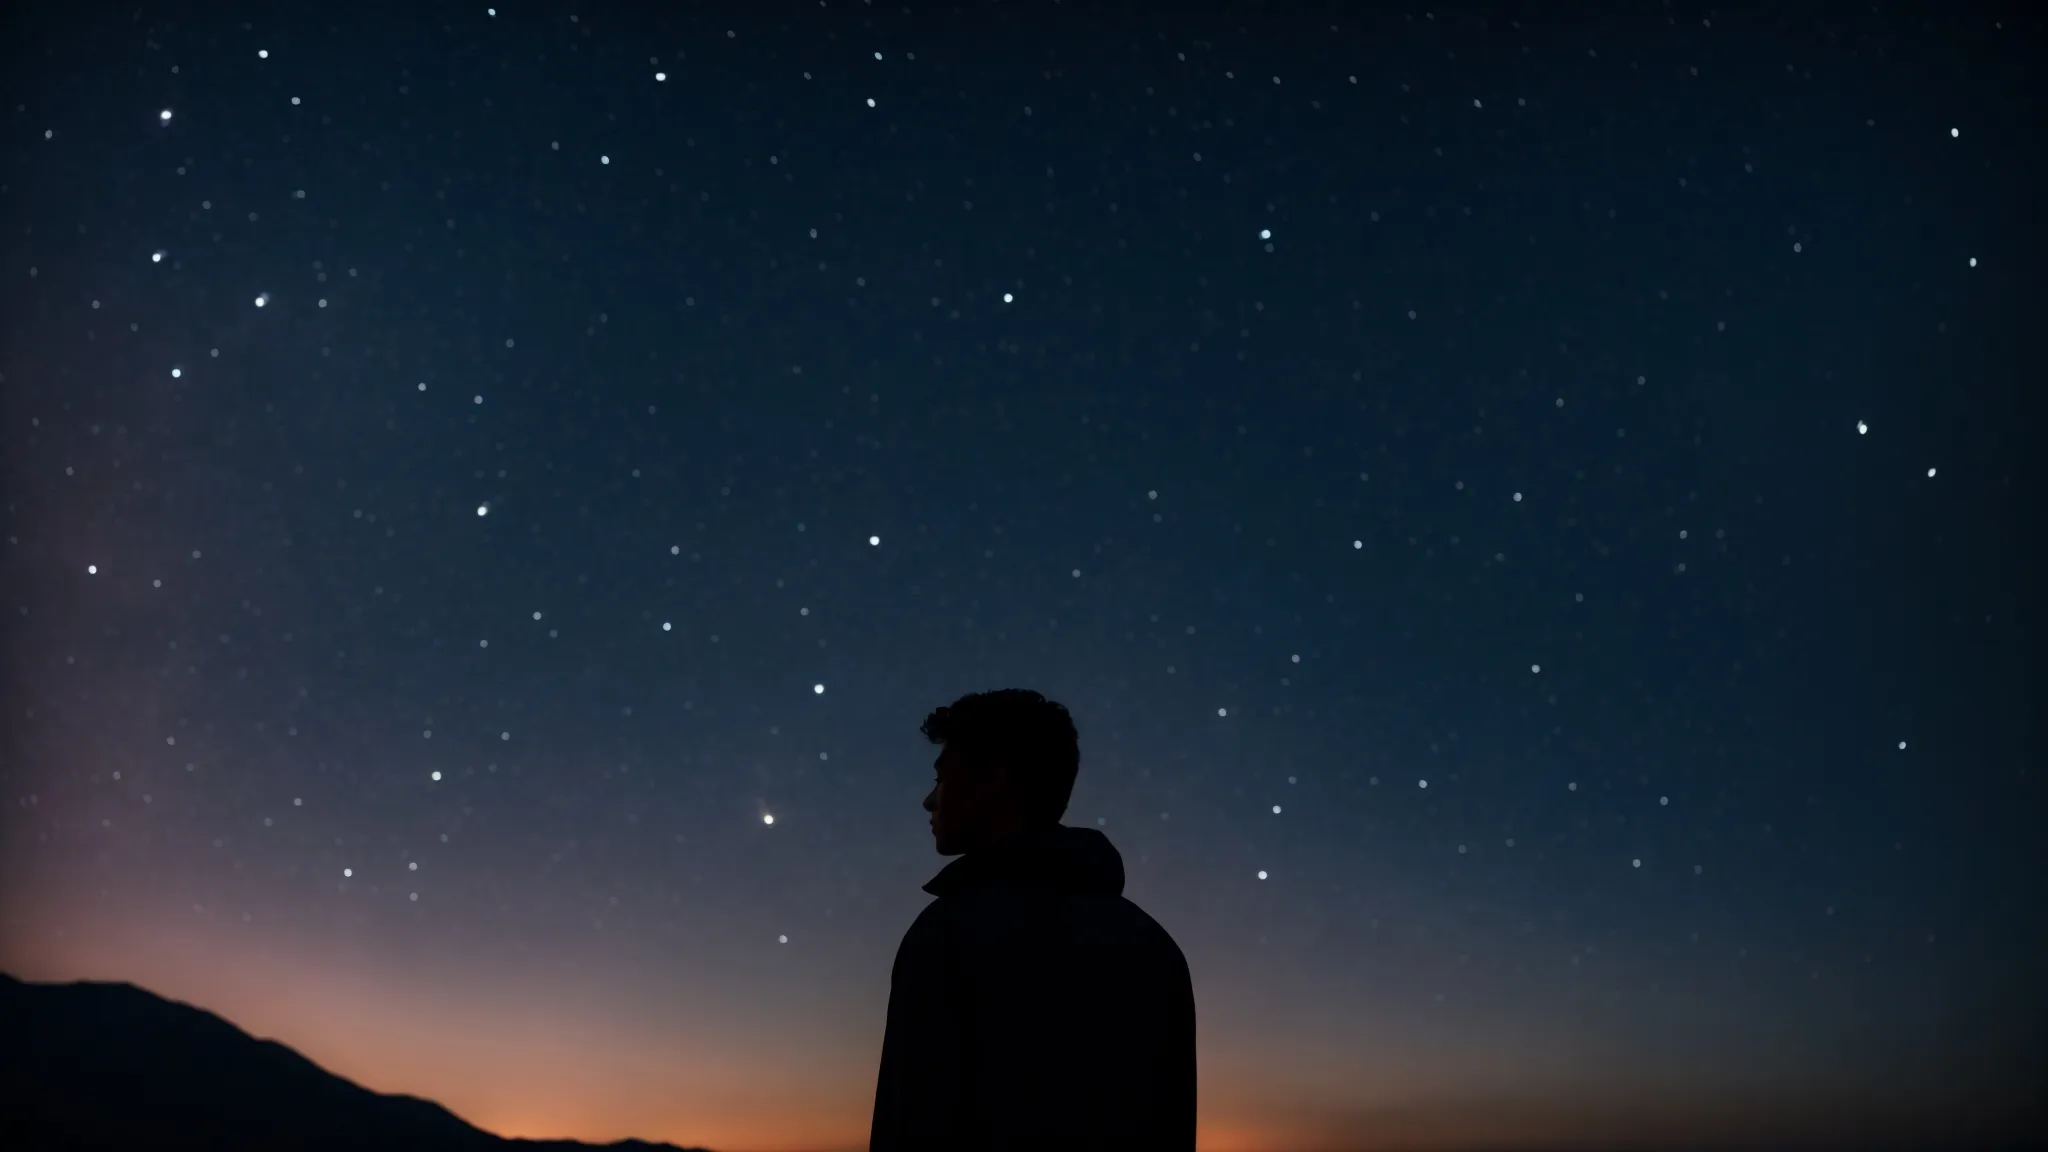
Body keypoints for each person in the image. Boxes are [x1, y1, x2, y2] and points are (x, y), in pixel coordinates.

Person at [869, 689, 1197, 1151]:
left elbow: (912, 1121)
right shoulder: (1155, 946)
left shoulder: (950, 934)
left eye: (942, 778)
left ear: (996, 778)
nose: (928, 800)